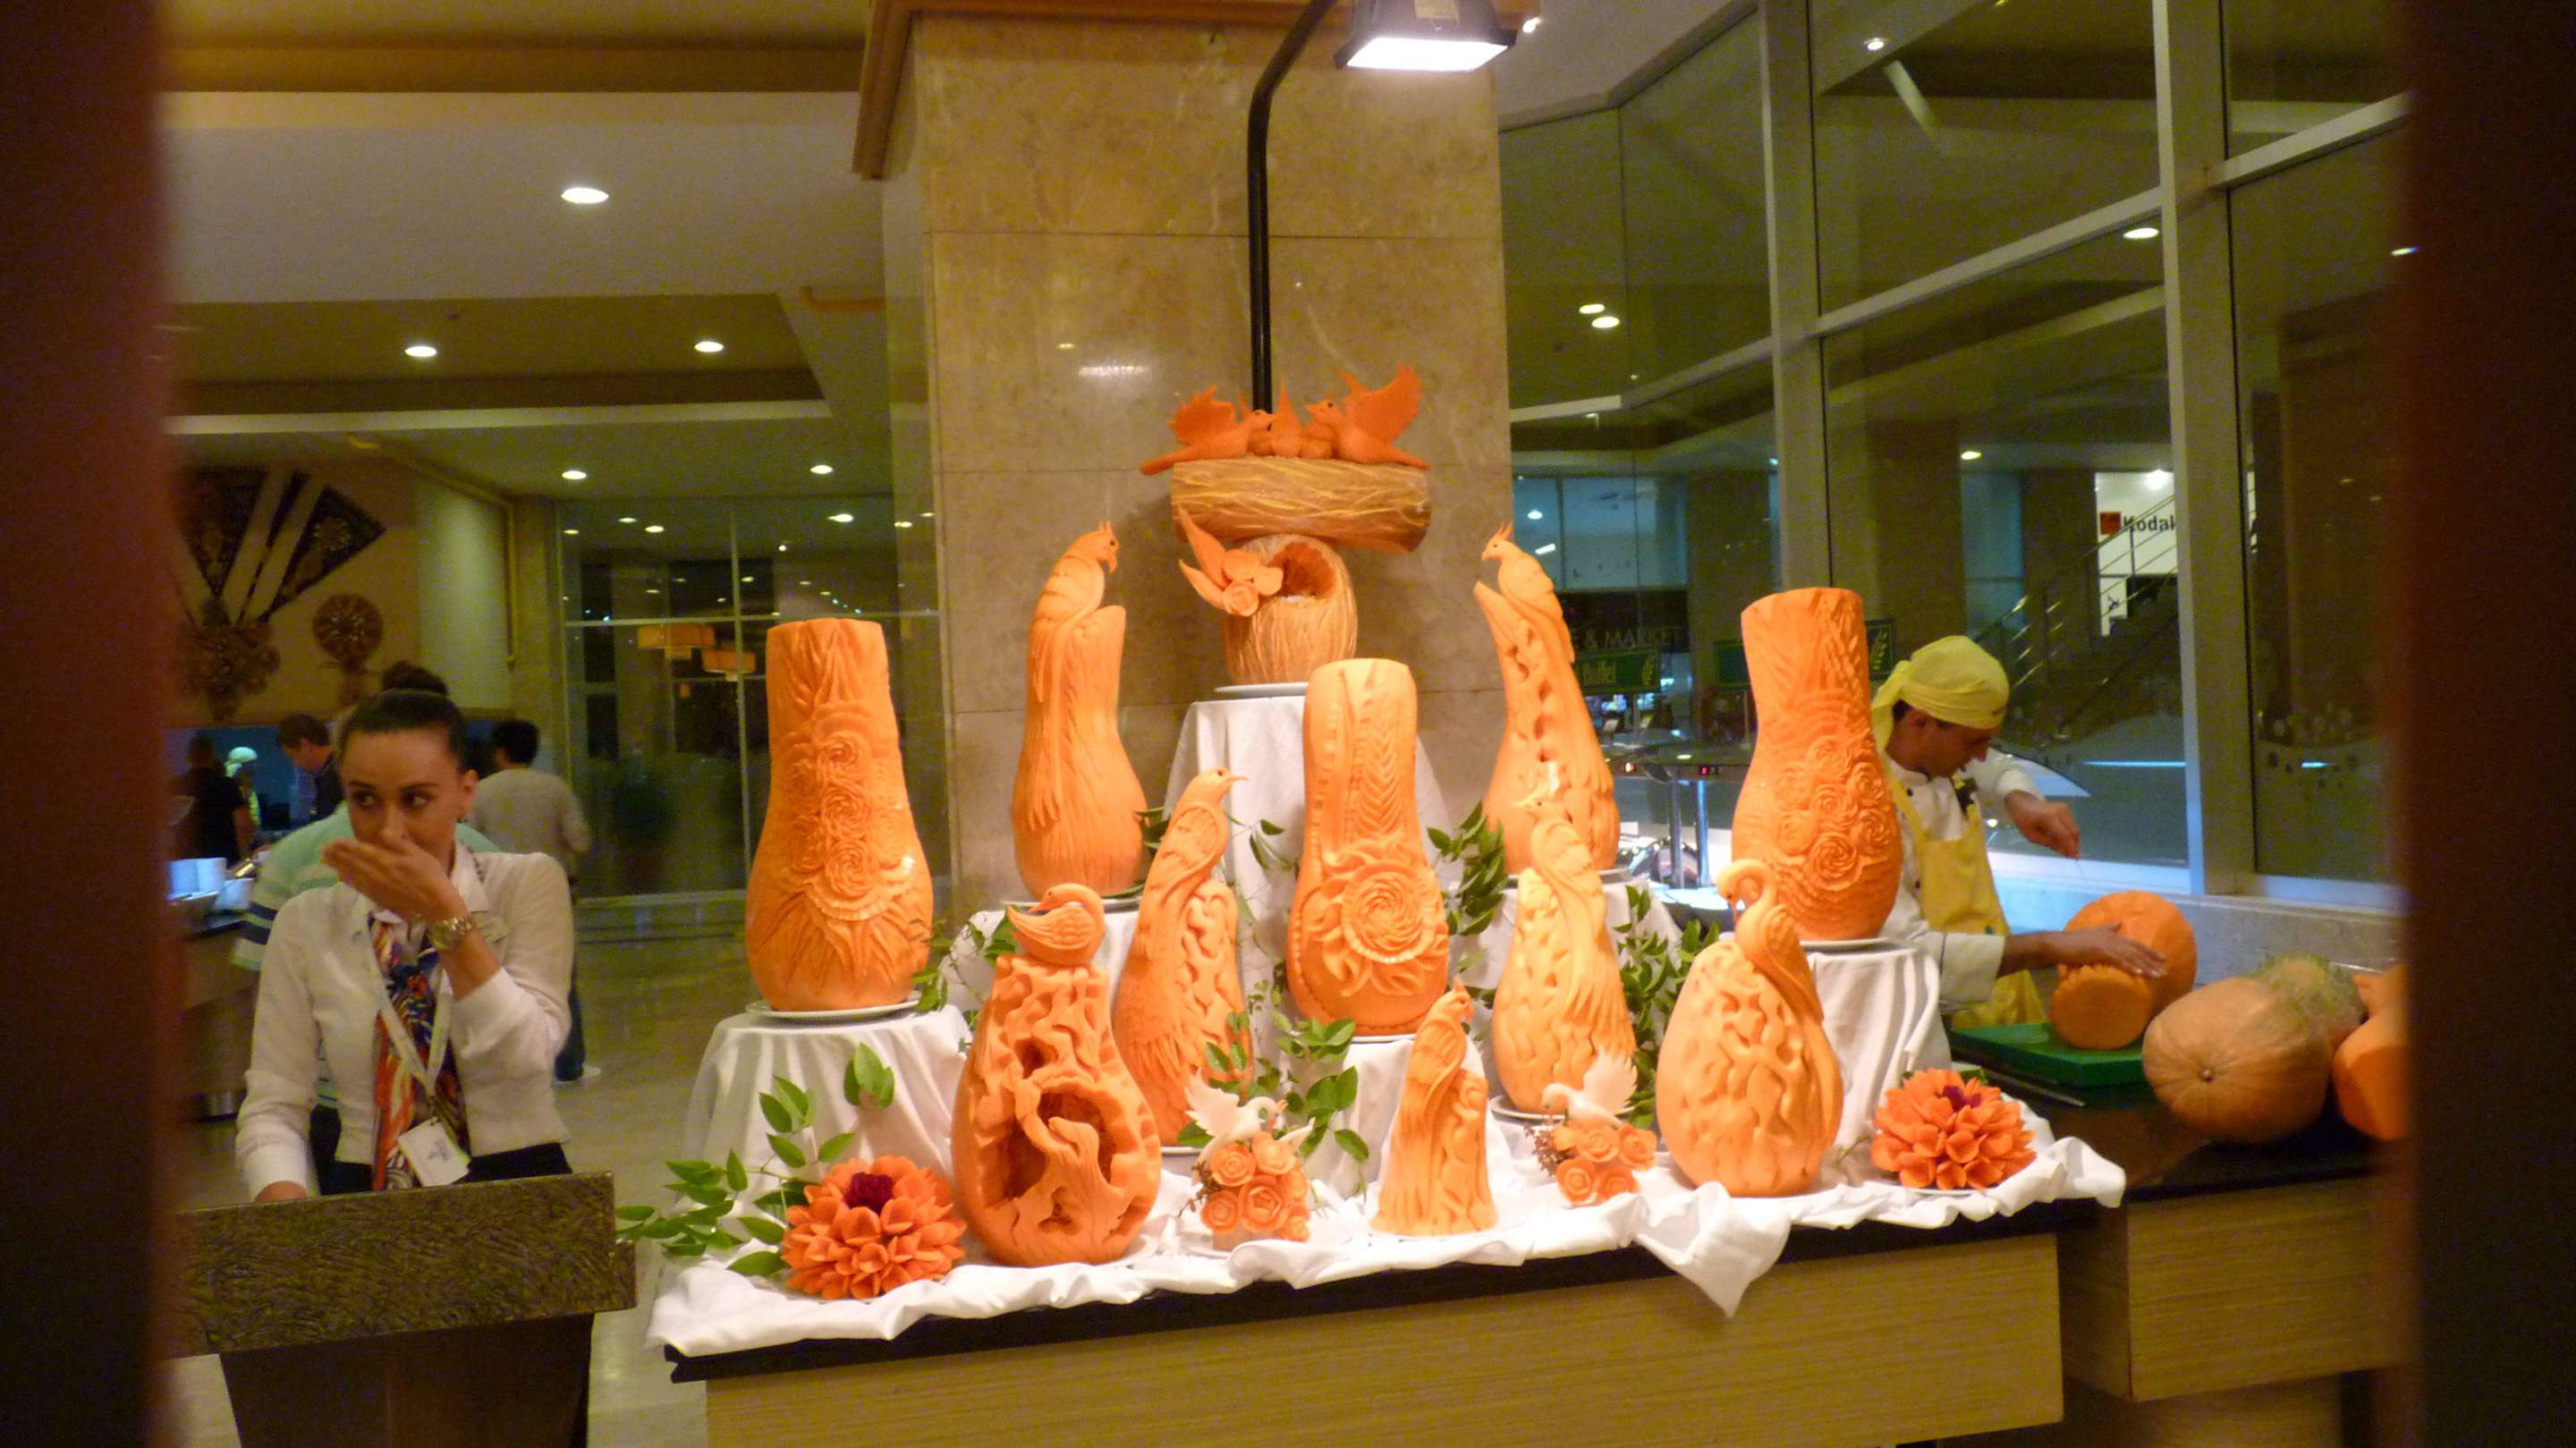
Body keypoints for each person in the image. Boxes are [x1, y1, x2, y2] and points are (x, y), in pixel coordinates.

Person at [235, 689, 574, 1199]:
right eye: (365, 800)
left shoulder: (524, 884)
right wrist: (288, 1215)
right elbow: (273, 1106)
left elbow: (527, 1057)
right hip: (369, 1180)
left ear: (465, 793)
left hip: (518, 1175)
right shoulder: (308, 922)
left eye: (415, 800)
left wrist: (444, 914)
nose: (389, 830)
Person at [1874, 636, 2163, 1028]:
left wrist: (2022, 801)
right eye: (1973, 741)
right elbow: (1908, 952)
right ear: (1919, 722)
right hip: (1932, 1018)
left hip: (2004, 997)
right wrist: (2049, 946)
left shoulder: (1943, 758)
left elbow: (1996, 768)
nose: (1980, 755)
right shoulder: (1867, 811)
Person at [468, 719, 594, 1082]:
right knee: (559, 973)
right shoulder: (555, 788)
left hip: (492, 891)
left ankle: (507, 1061)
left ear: (498, 752)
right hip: (550, 891)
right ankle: (568, 1061)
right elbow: (579, 839)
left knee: (494, 972)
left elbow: (468, 838)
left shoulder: (482, 791)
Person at [175, 732, 253, 863]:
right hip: (224, 856)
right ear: (212, 756)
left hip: (186, 858)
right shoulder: (227, 785)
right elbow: (243, 824)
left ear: (188, 757)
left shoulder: (176, 786)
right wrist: (244, 855)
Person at [276, 713, 341, 822]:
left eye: (292, 756)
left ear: (305, 746)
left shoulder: (335, 776)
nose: (295, 764)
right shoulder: (333, 770)